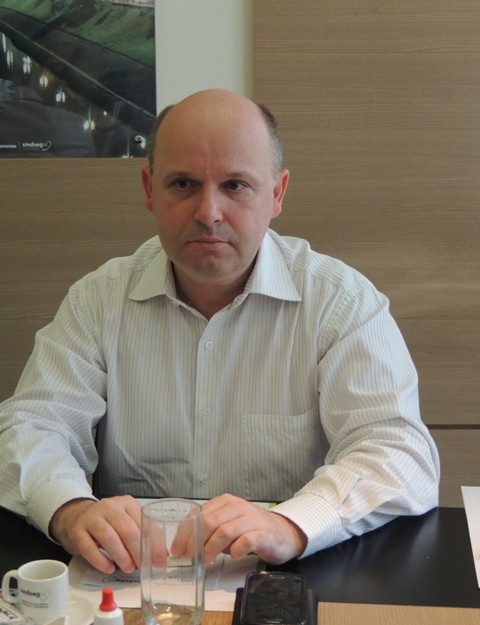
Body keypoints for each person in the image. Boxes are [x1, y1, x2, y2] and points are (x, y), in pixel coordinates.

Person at [0, 89, 440, 575]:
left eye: (235, 185)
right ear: (150, 189)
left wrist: (290, 524)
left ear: (277, 193)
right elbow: (33, 427)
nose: (208, 212)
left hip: (286, 577)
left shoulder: (341, 302)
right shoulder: (97, 300)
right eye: (183, 183)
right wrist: (69, 510)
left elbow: (398, 452)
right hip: (133, 578)